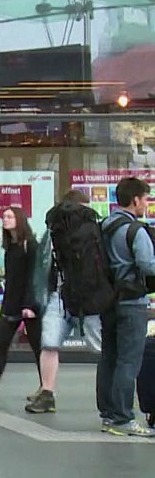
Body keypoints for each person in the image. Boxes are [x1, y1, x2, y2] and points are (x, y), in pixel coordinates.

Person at [27, 189, 102, 414]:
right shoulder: (94, 230)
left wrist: (38, 297)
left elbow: (42, 266)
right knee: (103, 348)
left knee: (49, 344)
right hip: (88, 296)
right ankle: (116, 398)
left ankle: (47, 393)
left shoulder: (53, 232)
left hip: (59, 296)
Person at [96, 177, 155, 437]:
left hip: (108, 300)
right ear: (135, 200)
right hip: (132, 302)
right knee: (129, 361)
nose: (146, 204)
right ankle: (123, 418)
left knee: (109, 357)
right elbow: (147, 265)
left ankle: (108, 414)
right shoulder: (135, 230)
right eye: (145, 199)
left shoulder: (104, 226)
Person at [0, 206, 43, 398]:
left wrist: (29, 305)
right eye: (4, 217)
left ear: (19, 220)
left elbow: (34, 277)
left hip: (29, 305)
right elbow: (11, 279)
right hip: (11, 304)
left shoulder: (30, 245)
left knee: (38, 348)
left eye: (10, 216)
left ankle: (45, 387)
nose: (5, 220)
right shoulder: (10, 248)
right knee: (1, 344)